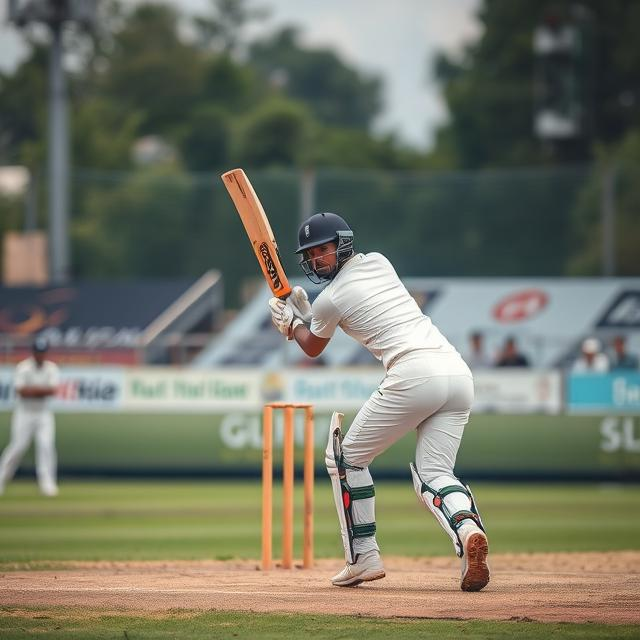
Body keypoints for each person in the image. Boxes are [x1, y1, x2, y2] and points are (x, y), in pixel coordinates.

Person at [268, 212, 489, 592]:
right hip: (456, 372)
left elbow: (313, 347)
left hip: (414, 374)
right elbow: (343, 312)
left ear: (342, 244)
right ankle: (468, 531)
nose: (318, 259)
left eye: (324, 249)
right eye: (311, 254)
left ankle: (363, 558)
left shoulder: (331, 299)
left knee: (345, 458)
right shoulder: (380, 262)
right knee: (435, 474)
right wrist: (307, 315)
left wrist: (292, 325)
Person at [0, 337, 60, 496]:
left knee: (46, 446)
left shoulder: (51, 368)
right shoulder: (23, 368)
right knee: (17, 446)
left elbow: (52, 391)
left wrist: (33, 390)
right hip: (24, 413)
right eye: (37, 352)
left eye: (42, 352)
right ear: (33, 352)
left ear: (45, 352)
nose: (40, 355)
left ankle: (47, 484)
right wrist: (40, 391)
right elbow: (21, 392)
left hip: (43, 414)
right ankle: (1, 479)